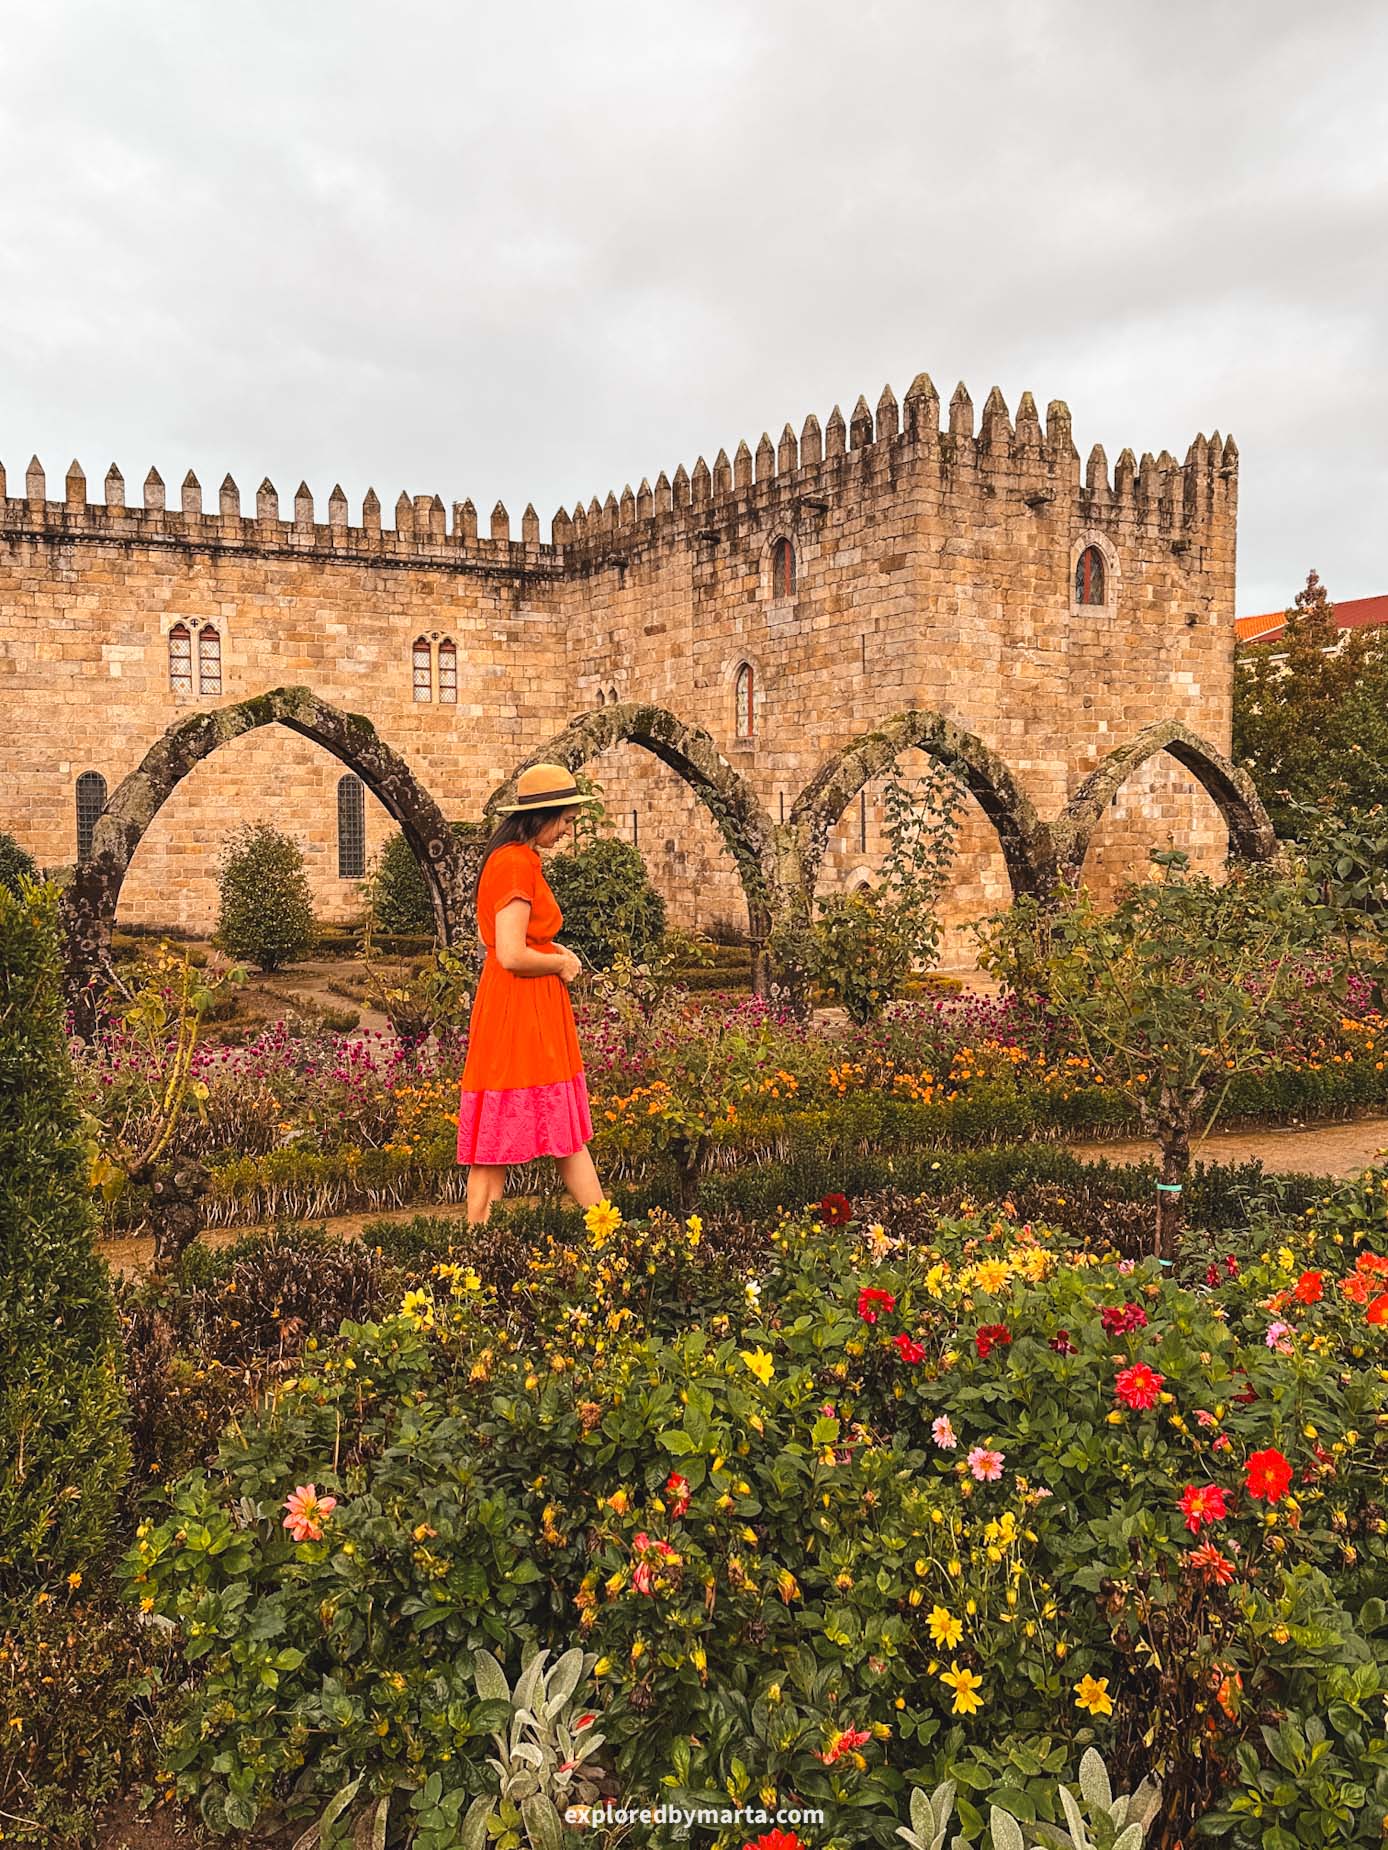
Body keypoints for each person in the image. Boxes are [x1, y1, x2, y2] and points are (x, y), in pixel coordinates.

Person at [458, 762, 607, 1224]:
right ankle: (609, 1229)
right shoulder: (516, 863)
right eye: (565, 821)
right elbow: (511, 954)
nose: (567, 831)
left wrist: (551, 946)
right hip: (520, 1008)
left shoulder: (513, 859)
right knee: (545, 1129)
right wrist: (561, 963)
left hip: (517, 1006)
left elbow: (519, 941)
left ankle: (477, 1246)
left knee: (509, 1135)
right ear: (542, 816)